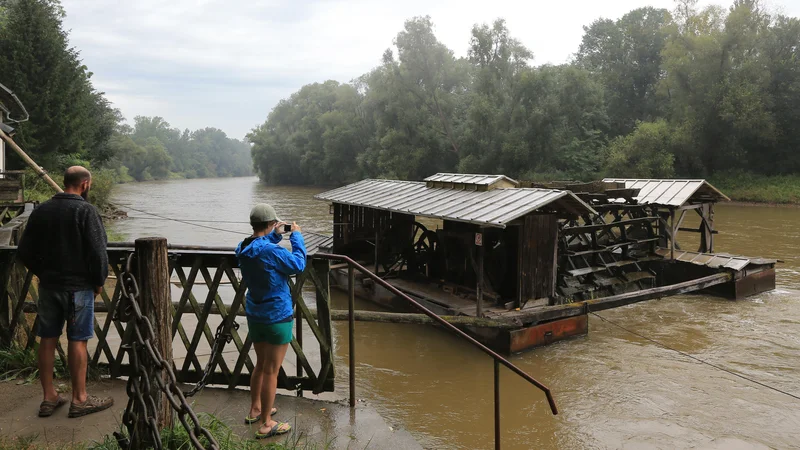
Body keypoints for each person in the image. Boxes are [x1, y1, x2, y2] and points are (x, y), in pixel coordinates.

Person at [17, 166, 113, 418]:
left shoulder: (42, 210)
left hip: (49, 286)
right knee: (77, 340)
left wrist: (43, 271)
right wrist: (99, 281)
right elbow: (98, 252)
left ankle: (49, 397)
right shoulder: (85, 210)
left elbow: (24, 251)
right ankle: (80, 399)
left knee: (47, 339)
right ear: (85, 184)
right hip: (78, 288)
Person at [235, 203, 306, 439]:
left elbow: (261, 248)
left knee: (260, 365)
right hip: (277, 315)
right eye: (274, 224)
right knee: (271, 371)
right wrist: (296, 236)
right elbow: (297, 264)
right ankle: (266, 423)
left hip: (256, 314)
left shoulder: (243, 247)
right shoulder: (272, 252)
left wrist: (274, 236)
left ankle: (255, 408)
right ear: (268, 224)